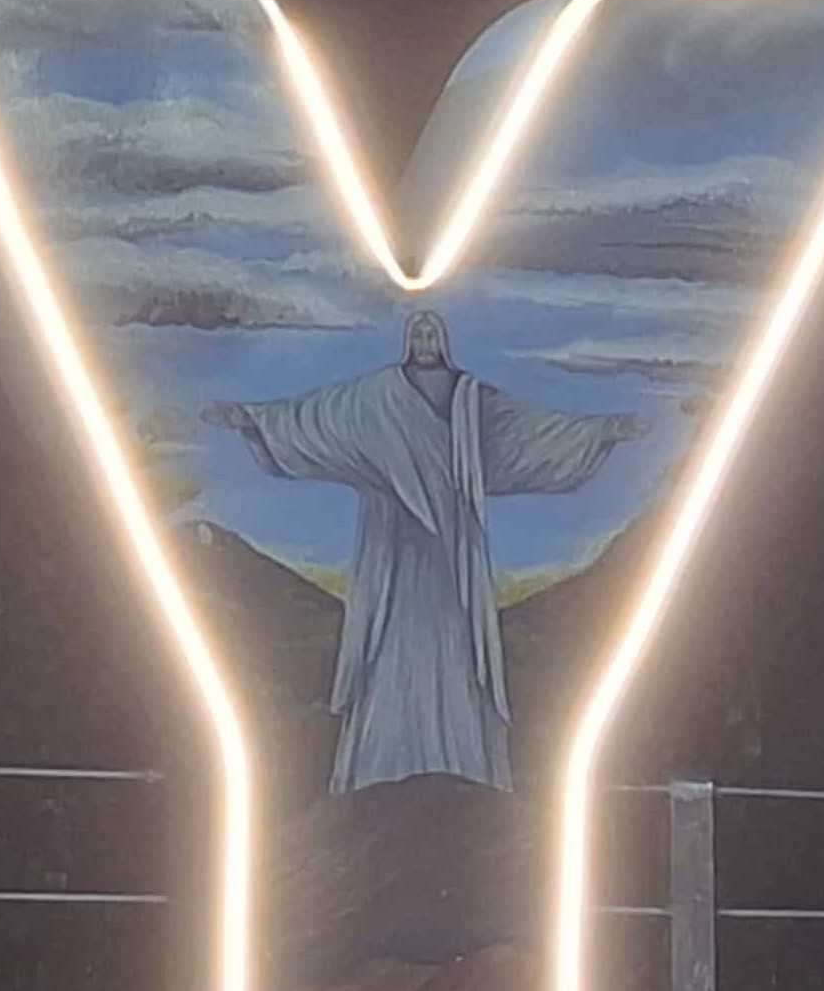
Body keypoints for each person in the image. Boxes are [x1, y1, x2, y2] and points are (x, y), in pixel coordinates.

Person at [196, 310, 637, 791]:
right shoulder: (377, 399)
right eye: (419, 332)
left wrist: (602, 432)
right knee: (392, 649)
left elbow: (529, 434)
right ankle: (380, 767)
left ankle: (462, 764)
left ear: (443, 340)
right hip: (395, 551)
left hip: (453, 555)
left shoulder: (471, 401)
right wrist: (254, 419)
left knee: (456, 651)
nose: (425, 340)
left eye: (432, 332)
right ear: (409, 340)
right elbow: (320, 419)